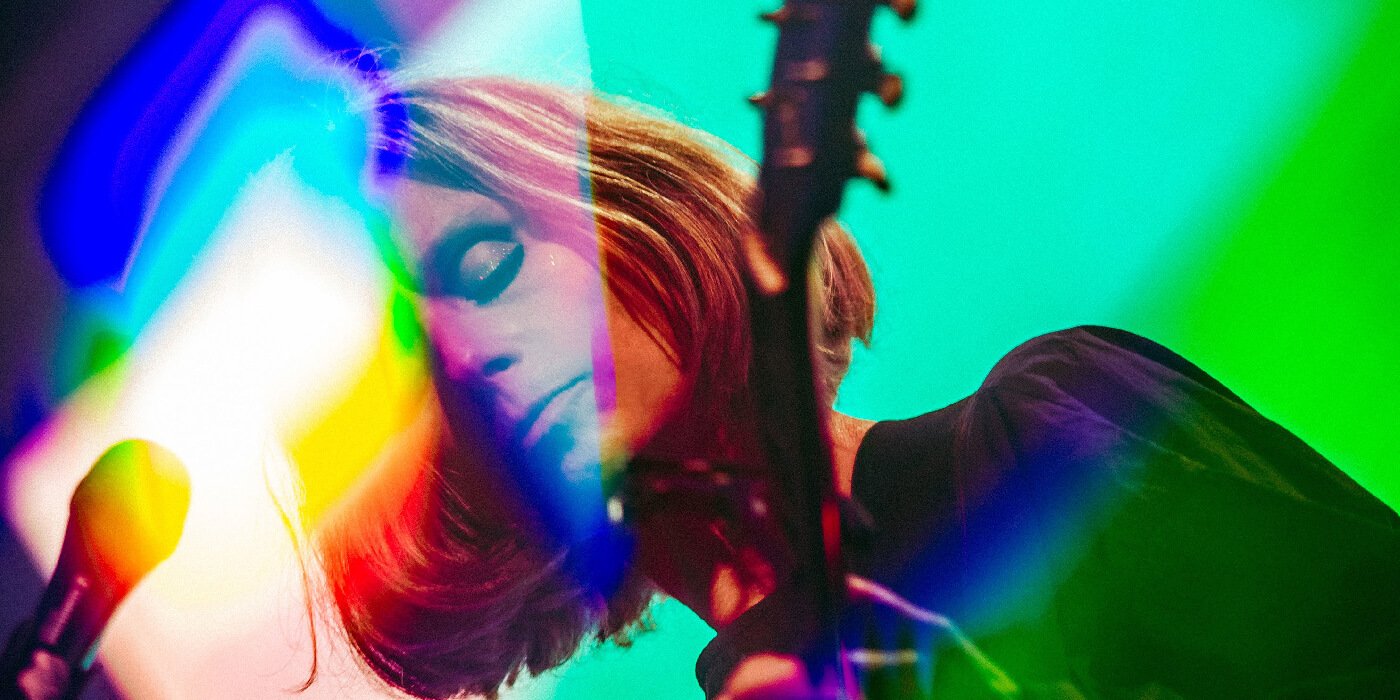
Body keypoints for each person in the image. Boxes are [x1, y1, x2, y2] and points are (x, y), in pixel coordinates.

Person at [311, 77, 1400, 700]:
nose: (467, 363)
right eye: (415, 372)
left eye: (484, 265)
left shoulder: (1049, 434)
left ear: (636, 210)